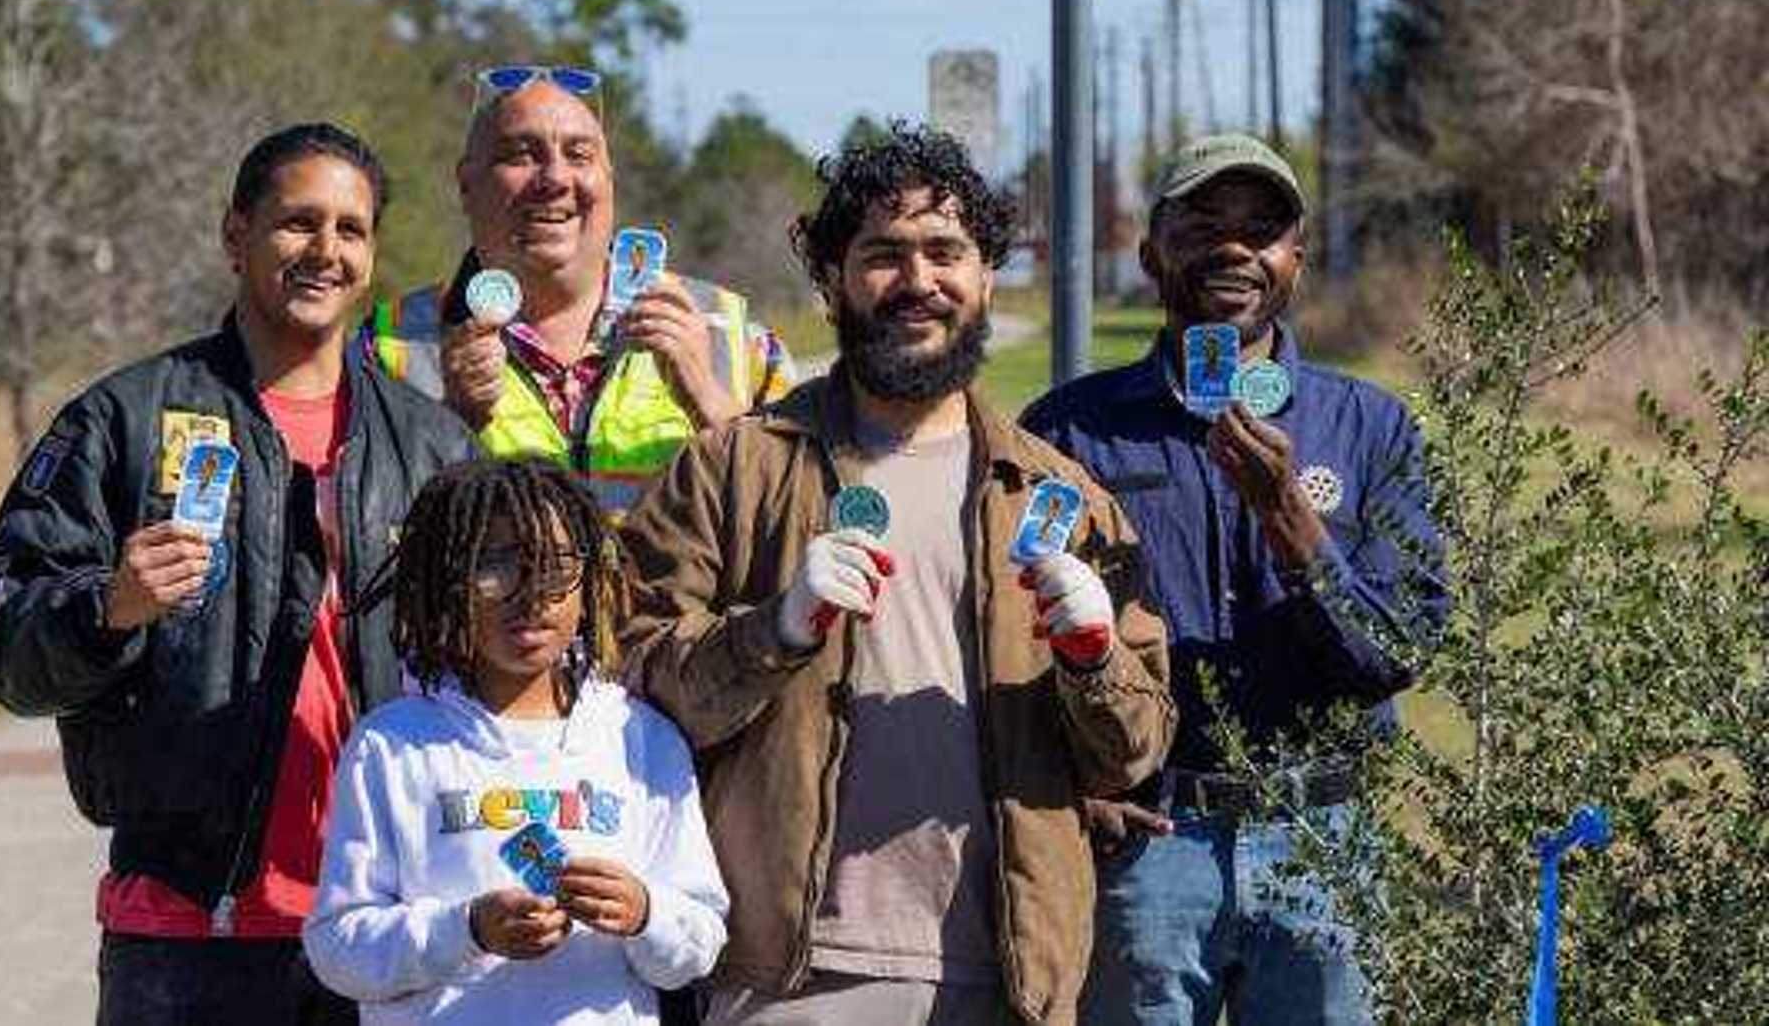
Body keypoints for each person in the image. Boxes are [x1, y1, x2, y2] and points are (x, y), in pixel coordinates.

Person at [619, 124, 1176, 1026]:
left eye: (945, 252)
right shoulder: (736, 470)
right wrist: (775, 629)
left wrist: (1092, 657)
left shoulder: (1057, 495)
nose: (918, 281)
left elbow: (1134, 753)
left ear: (988, 275)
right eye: (884, 253)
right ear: (834, 277)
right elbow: (634, 682)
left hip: (1010, 977)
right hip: (787, 976)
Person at [0, 123, 476, 1026]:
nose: (326, 250)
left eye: (351, 230)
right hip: (188, 939)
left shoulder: (432, 445)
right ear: (235, 236)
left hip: (389, 926)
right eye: (297, 223)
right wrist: (107, 607)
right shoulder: (123, 420)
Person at [1019, 133, 1450, 1026]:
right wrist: (1076, 784)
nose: (1234, 247)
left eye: (1262, 228)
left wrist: (1293, 524)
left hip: (1323, 844)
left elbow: (1400, 650)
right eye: (1203, 222)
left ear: (1295, 259)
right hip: (1147, 843)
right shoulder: (1069, 432)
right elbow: (999, 633)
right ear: (1150, 253)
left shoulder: (1371, 428)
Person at [304, 458, 729, 1024]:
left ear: (590, 581)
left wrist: (646, 913)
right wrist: (467, 930)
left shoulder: (642, 739)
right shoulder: (391, 745)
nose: (530, 595)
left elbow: (699, 941)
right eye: (495, 565)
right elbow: (337, 949)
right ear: (449, 581)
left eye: (554, 566)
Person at [367, 64, 792, 520]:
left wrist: (717, 413)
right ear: (466, 185)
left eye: (579, 155)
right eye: (520, 154)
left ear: (609, 179)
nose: (554, 179)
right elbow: (361, 551)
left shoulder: (735, 338)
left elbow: (800, 529)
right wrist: (450, 427)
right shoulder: (385, 349)